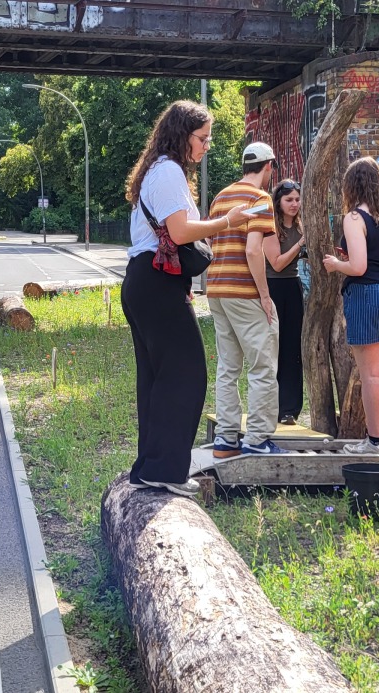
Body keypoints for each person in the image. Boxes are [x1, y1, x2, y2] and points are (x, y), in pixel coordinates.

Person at [121, 100, 256, 496]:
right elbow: (179, 232)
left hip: (148, 282)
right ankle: (164, 469)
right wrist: (227, 222)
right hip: (155, 283)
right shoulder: (167, 171)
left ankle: (152, 466)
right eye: (202, 138)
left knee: (157, 377)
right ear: (182, 136)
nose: (207, 145)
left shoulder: (159, 170)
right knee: (186, 373)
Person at [322, 158, 379, 454]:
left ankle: (374, 442)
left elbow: (358, 267)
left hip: (367, 297)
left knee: (371, 372)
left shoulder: (354, 218)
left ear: (352, 186)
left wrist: (337, 264)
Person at [207, 143, 285, 457]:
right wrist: (265, 296)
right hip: (244, 292)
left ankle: (225, 438)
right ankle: (257, 439)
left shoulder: (220, 198)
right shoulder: (260, 198)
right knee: (262, 366)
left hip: (217, 289)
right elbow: (254, 250)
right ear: (269, 166)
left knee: (228, 367)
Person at [263, 179, 305, 426]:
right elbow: (277, 263)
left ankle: (290, 409)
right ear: (278, 201)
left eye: (297, 199)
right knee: (272, 348)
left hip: (293, 286)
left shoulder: (301, 225)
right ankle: (272, 405)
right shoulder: (271, 227)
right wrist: (301, 244)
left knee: (293, 349)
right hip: (273, 287)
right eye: (289, 199)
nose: (294, 204)